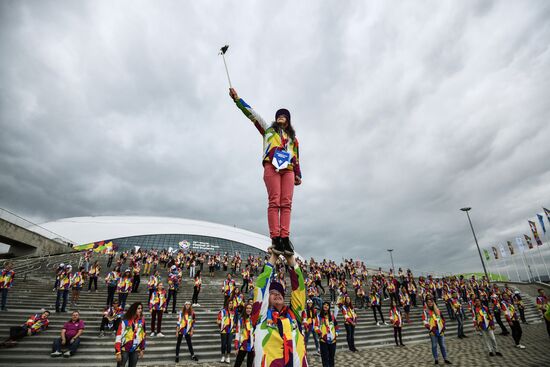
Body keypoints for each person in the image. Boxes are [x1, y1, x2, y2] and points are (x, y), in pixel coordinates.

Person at [229, 88, 302, 256]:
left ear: (289, 120)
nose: (281, 116)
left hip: (288, 170)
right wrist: (237, 99)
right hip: (272, 166)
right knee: (274, 201)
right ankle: (275, 237)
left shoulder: (293, 139)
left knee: (287, 204)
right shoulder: (268, 129)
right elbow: (251, 113)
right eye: (278, 114)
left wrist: (298, 173)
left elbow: (296, 157)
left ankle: (285, 237)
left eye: (284, 115)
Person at [251, 248, 307, 367]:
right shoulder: (261, 317)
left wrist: (291, 260)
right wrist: (274, 257)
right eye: (272, 292)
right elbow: (261, 287)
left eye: (280, 292)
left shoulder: (294, 315)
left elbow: (299, 291)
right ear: (266, 298)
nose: (277, 294)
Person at [115, 302, 146, 367]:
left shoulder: (142, 321)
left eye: (141, 308)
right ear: (134, 309)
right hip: (124, 348)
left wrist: (142, 348)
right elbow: (118, 335)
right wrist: (118, 351)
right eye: (138, 308)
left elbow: (143, 335)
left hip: (135, 349)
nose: (140, 310)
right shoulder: (125, 320)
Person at [422, 297, 451, 365]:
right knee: (434, 345)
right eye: (428, 302)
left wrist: (443, 327)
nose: (430, 303)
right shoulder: (426, 312)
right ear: (427, 303)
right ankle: (436, 359)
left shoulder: (437, 310)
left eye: (431, 302)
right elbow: (424, 321)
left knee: (442, 345)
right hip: (432, 331)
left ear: (433, 302)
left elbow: (442, 319)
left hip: (440, 330)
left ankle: (445, 358)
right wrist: (430, 328)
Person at [315, 301, 338, 367]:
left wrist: (336, 333)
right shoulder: (319, 316)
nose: (326, 306)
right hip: (323, 340)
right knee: (325, 358)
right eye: (324, 304)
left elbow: (336, 325)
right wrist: (320, 334)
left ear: (329, 307)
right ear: (322, 306)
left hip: (333, 341)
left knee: (331, 358)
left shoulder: (331, 315)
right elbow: (316, 326)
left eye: (327, 305)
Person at [234, 303, 255, 367]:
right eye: (247, 308)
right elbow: (237, 333)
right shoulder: (241, 320)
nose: (248, 310)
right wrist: (236, 346)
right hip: (243, 345)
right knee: (238, 363)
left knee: (250, 364)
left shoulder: (254, 320)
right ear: (245, 309)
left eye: (250, 308)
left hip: (252, 346)